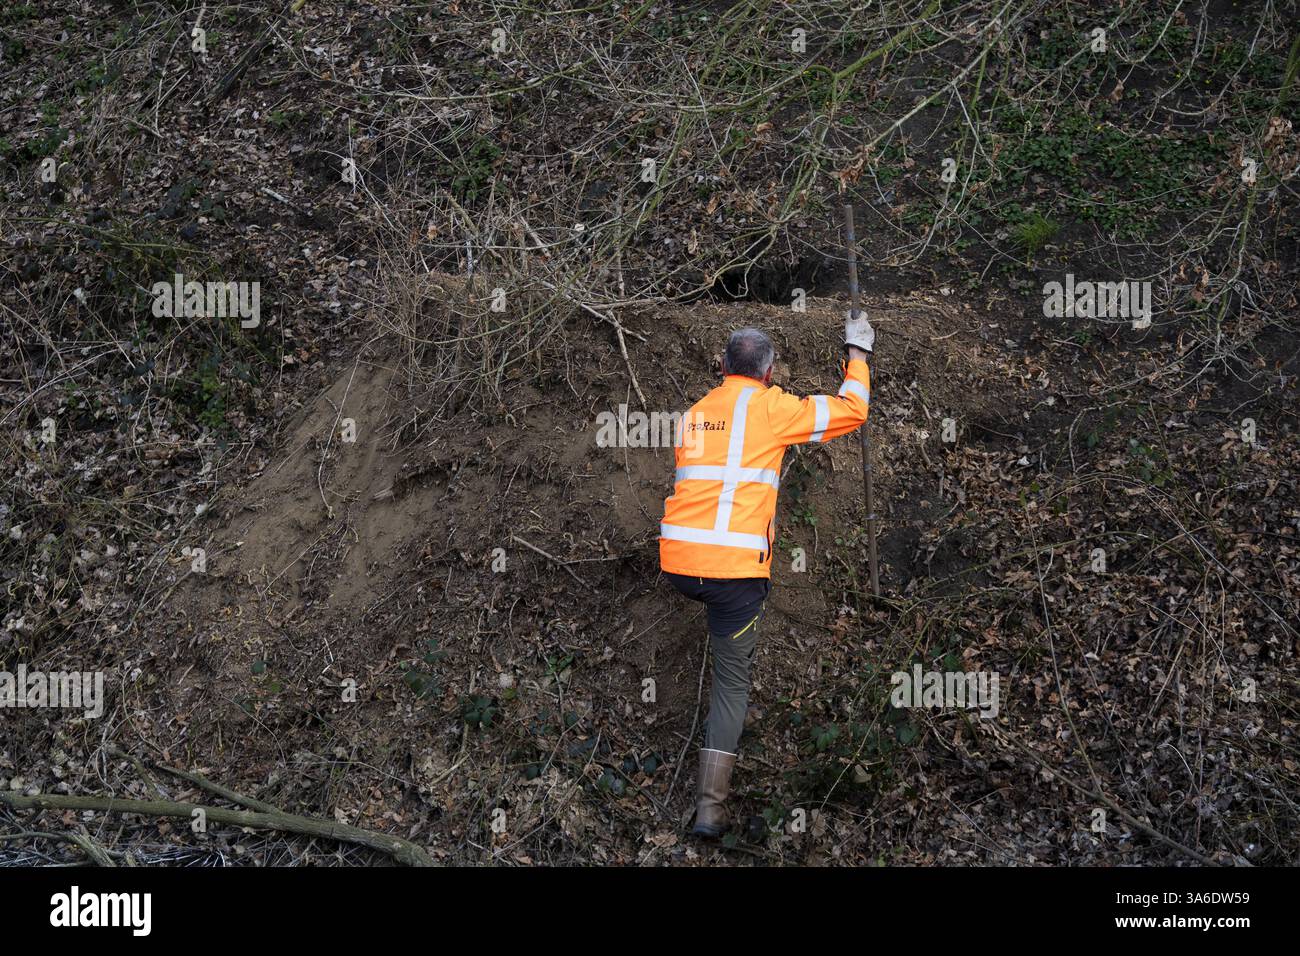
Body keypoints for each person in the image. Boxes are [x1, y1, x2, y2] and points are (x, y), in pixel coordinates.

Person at [659, 310, 874, 837]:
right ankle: (709, 811)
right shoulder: (774, 409)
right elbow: (851, 411)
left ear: (721, 365)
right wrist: (858, 356)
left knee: (719, 623)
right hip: (732, 574)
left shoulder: (692, 415)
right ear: (770, 372)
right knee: (731, 683)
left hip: (677, 565)